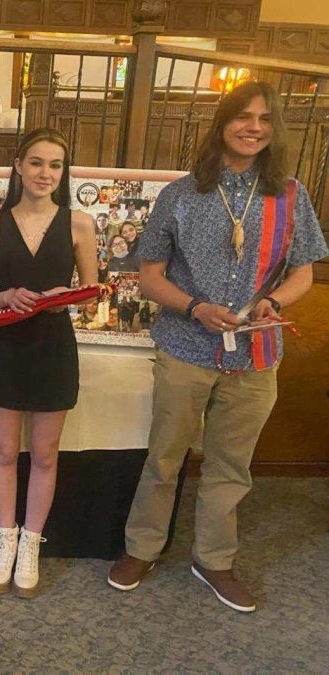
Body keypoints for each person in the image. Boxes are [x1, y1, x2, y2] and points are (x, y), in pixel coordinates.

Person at [107, 81, 328, 612]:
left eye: (264, 119)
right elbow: (149, 276)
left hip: (255, 353)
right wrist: (194, 308)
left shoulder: (290, 195)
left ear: (275, 130)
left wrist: (274, 302)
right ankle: (143, 547)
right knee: (165, 456)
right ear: (222, 124)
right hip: (185, 346)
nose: (253, 127)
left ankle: (214, 560)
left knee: (232, 464)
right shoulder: (181, 194)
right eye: (242, 117)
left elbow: (303, 273)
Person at [0, 128, 97, 597]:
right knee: (4, 452)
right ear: (19, 166)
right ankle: (4, 540)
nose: (46, 173)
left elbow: (92, 294)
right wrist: (6, 295)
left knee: (45, 454)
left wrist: (68, 297)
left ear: (63, 173)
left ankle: (31, 544)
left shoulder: (80, 223)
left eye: (56, 165)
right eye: (38, 163)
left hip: (54, 346)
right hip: (7, 345)